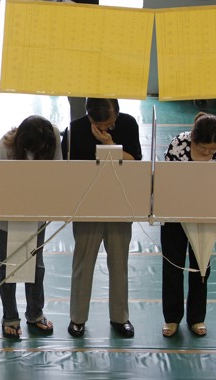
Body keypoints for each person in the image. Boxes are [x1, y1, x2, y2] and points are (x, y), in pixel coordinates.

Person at [61, 98, 142, 338]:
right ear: (90, 118)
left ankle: (120, 317)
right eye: (102, 124)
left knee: (119, 263)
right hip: (87, 205)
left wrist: (109, 144)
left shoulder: (128, 124)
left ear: (117, 114)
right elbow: (69, 171)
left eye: (111, 122)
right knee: (83, 263)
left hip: (120, 203)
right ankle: (77, 318)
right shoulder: (75, 130)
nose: (107, 127)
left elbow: (135, 161)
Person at [161, 112, 216, 338]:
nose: (209, 153)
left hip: (206, 216)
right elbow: (166, 183)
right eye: (204, 149)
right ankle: (172, 318)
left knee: (202, 267)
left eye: (213, 150)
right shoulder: (177, 144)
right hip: (175, 216)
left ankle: (196, 318)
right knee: (173, 266)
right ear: (193, 139)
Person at [0, 115, 62, 339]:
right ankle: (10, 317)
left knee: (36, 266)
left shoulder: (53, 135)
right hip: (8, 217)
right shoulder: (5, 148)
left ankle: (35, 313)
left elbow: (58, 172)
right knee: (8, 268)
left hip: (37, 215)